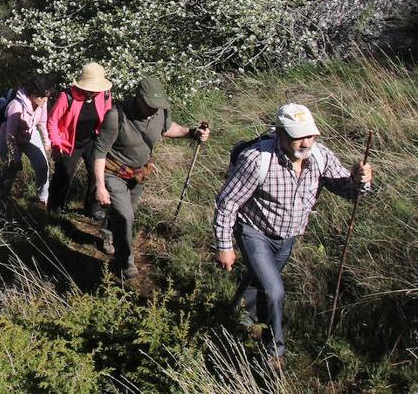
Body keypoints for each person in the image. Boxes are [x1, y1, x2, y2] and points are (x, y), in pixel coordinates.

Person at [214, 103, 372, 363]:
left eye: (310, 135)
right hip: (254, 233)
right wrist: (225, 245)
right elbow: (227, 202)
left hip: (288, 238)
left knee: (260, 281)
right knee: (275, 292)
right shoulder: (257, 159)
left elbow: (348, 191)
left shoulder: (320, 157)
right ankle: (274, 351)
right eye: (298, 135)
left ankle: (234, 320)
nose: (306, 142)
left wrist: (359, 180)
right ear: (280, 133)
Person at [93, 77, 210, 279]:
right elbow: (100, 151)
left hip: (139, 174)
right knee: (126, 217)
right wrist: (100, 186)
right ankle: (125, 263)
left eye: (157, 106)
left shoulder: (161, 112)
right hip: (114, 173)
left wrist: (191, 132)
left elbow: (168, 128)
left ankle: (108, 234)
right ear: (139, 99)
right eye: (150, 105)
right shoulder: (116, 116)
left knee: (125, 214)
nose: (154, 110)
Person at [47, 62, 114, 220]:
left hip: (92, 140)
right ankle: (55, 206)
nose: (93, 92)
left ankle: (92, 207)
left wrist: (107, 140)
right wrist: (56, 145)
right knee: (64, 174)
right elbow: (52, 121)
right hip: (69, 143)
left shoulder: (104, 95)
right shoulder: (67, 96)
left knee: (95, 173)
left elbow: (108, 118)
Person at [0, 75, 55, 212]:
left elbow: (42, 123)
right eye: (42, 97)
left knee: (43, 166)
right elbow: (10, 134)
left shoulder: (41, 104)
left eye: (47, 97)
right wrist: (15, 157)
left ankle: (42, 199)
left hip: (29, 134)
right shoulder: (16, 106)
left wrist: (46, 142)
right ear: (32, 94)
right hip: (9, 138)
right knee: (11, 169)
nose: (45, 100)